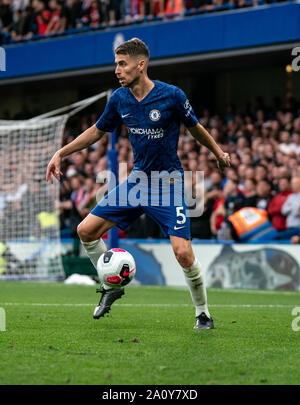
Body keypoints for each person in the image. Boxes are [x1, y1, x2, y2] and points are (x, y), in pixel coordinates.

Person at [46, 37, 230, 330]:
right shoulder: (119, 99)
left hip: (168, 184)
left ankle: (203, 313)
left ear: (140, 65)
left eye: (122, 63)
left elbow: (196, 129)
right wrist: (61, 152)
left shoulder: (171, 96)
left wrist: (218, 153)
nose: (117, 70)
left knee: (183, 252)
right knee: (85, 231)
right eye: (116, 64)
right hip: (137, 181)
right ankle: (110, 286)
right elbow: (96, 132)